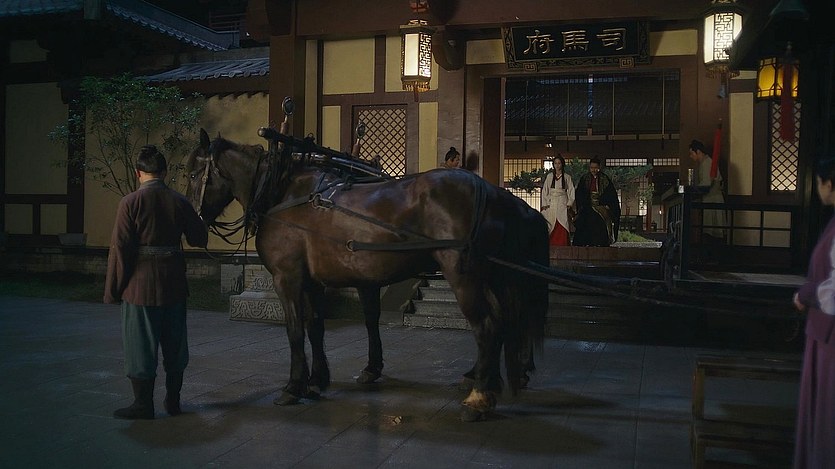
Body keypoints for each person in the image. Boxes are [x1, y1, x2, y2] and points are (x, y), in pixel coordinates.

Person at [104, 145, 208, 420]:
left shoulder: (130, 202)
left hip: (140, 286)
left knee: (140, 344)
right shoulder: (179, 201)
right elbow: (199, 238)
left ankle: (143, 404)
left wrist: (114, 289)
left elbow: (120, 248)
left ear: (138, 173)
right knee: (175, 344)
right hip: (173, 283)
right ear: (164, 172)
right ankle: (173, 401)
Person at [793, 156, 835, 468]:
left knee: (826, 417)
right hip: (822, 334)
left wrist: (807, 293)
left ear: (828, 184)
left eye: (819, 183)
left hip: (830, 340)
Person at [573, 157, 620, 246]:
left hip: (601, 205)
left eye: (595, 168)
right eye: (592, 168)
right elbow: (580, 193)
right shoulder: (585, 178)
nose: (593, 170)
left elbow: (611, 194)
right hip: (587, 205)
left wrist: (607, 204)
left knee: (601, 219)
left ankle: (601, 242)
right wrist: (583, 204)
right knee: (584, 218)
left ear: (599, 167)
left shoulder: (604, 179)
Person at [688, 139, 726, 242]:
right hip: (710, 198)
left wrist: (694, 191)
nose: (691, 156)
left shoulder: (707, 163)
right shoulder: (705, 163)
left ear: (698, 151)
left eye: (691, 153)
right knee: (710, 228)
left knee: (712, 230)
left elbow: (706, 184)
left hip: (713, 198)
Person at [540, 155, 575, 246]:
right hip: (551, 201)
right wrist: (545, 203)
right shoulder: (549, 176)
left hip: (562, 201)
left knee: (563, 221)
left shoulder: (567, 177)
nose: (557, 165)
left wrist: (569, 203)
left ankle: (563, 243)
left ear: (562, 164)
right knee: (551, 222)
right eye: (555, 163)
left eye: (559, 163)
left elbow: (571, 190)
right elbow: (545, 190)